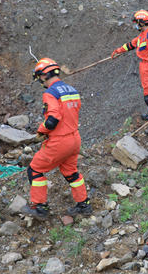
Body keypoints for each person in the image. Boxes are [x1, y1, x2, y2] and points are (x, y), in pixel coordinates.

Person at [21, 58, 91, 221]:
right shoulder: (72, 90)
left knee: (35, 170)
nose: (40, 81)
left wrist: (41, 130)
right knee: (71, 172)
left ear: (45, 76)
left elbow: (53, 119)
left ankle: (40, 207)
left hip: (59, 141)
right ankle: (84, 204)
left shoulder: (50, 92)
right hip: (75, 138)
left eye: (40, 78)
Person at [111, 10, 148, 135]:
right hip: (144, 66)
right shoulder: (143, 35)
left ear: (141, 23)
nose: (135, 25)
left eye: (136, 23)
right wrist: (119, 51)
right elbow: (131, 44)